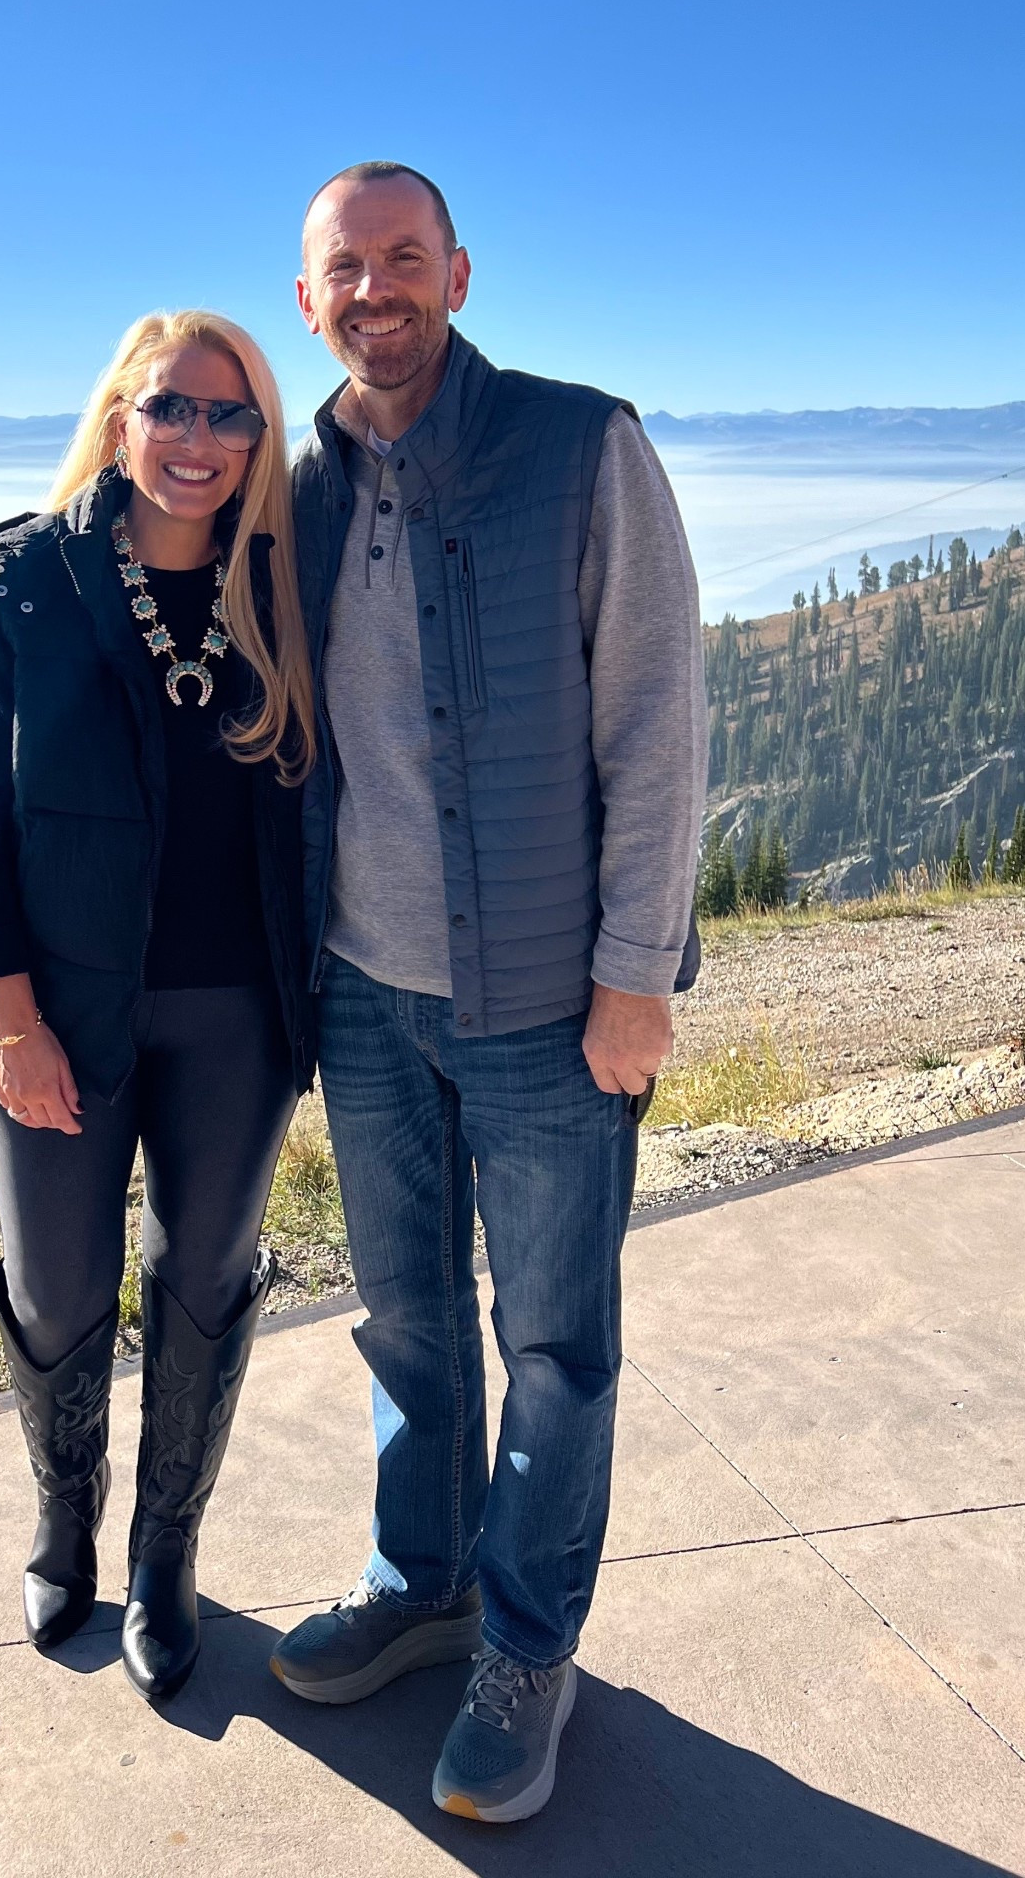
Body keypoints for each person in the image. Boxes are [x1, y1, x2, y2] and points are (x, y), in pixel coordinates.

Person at [268, 164, 708, 1822]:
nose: (375, 290)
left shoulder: (583, 447)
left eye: (403, 259)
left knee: (558, 1347)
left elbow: (659, 723)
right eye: (343, 270)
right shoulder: (294, 490)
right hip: (367, 994)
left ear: (457, 271)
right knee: (403, 1323)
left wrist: (635, 977)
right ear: (308, 300)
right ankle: (426, 1579)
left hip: (544, 1000)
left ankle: (529, 1644)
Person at [0, 310, 316, 1701]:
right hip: (52, 1014)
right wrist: (13, 1017)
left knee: (204, 1282)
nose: (201, 442)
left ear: (260, 442)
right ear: (119, 415)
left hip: (241, 1011)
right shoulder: (21, 584)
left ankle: (166, 1552)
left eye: (233, 419)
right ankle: (61, 1520)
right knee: (58, 1283)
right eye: (173, 409)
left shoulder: (285, 583)